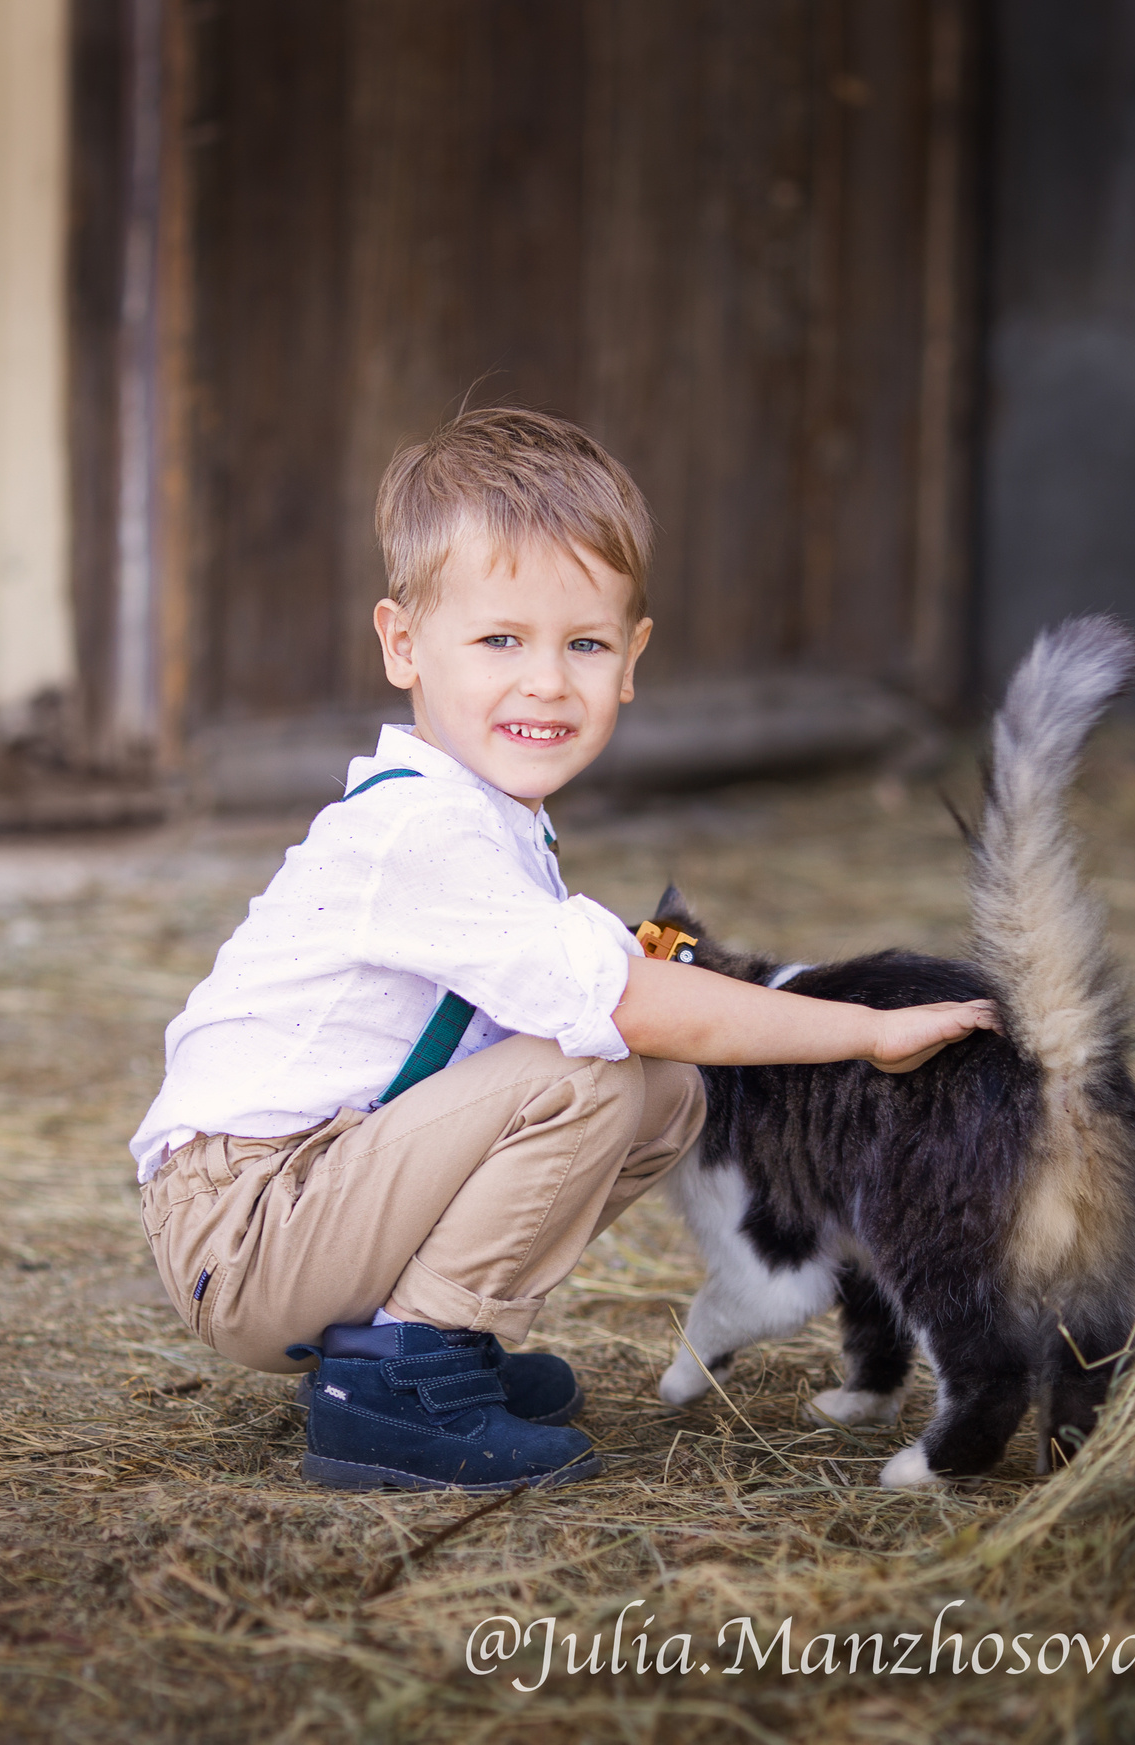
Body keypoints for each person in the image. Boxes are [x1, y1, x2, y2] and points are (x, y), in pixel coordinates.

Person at [129, 408, 996, 1493]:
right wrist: (865, 1031)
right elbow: (622, 1005)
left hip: (320, 1189)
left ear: (630, 659)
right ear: (403, 644)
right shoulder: (423, 828)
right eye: (500, 639)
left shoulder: (495, 821)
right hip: (249, 1223)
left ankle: (428, 1333)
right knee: (592, 1061)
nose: (547, 680)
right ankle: (395, 1378)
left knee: (666, 1086)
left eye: (582, 643)